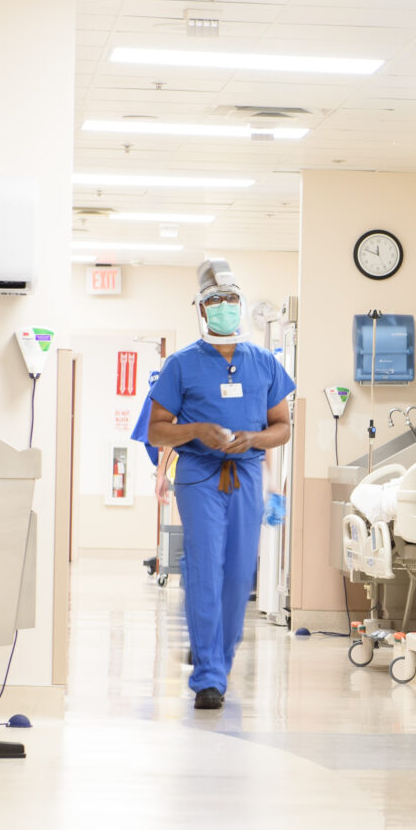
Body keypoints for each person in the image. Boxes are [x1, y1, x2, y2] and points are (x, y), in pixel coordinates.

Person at [145, 261, 295, 710]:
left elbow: (283, 426)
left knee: (240, 571)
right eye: (215, 301)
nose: (225, 308)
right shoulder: (182, 364)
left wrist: (256, 439)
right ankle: (209, 675)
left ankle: (222, 659)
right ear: (201, 309)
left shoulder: (265, 362)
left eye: (232, 300)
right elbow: (156, 430)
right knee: (205, 567)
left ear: (242, 306)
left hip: (247, 473)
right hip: (199, 474)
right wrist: (194, 431)